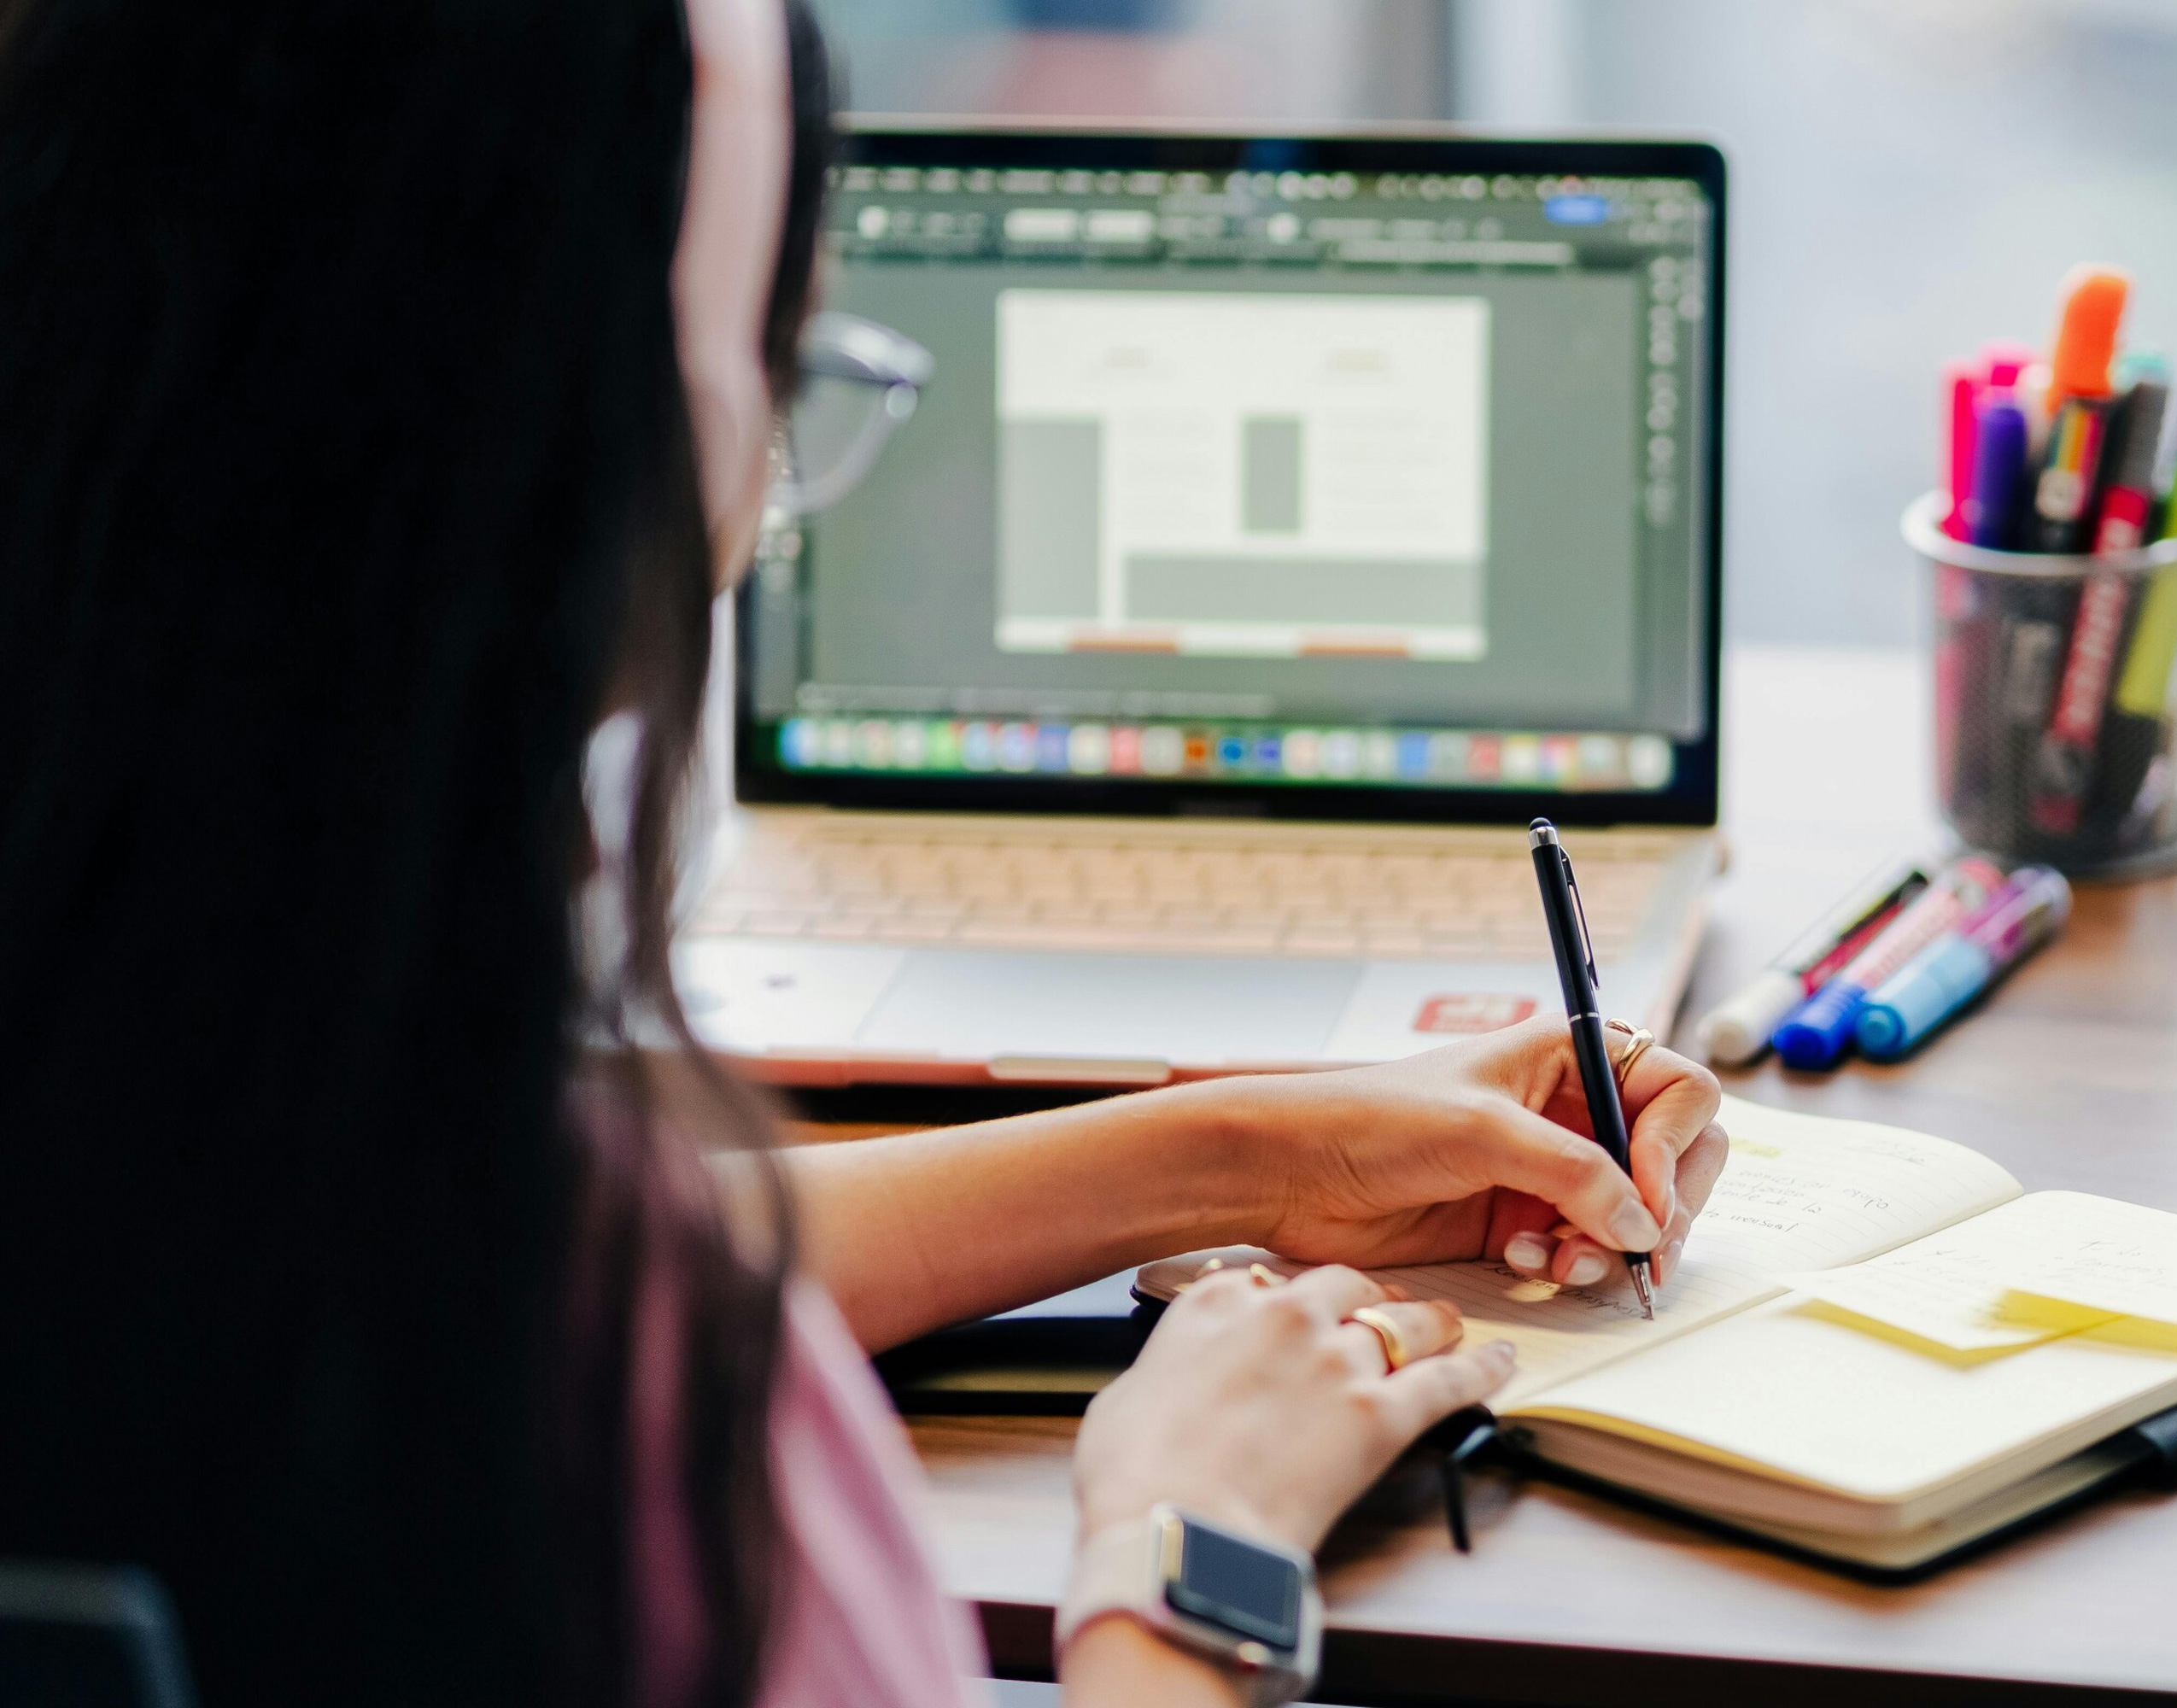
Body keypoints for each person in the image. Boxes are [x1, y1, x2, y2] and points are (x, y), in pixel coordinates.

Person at [0, 0, 1727, 1704]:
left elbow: (475, 1236)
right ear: (603, 475)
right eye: (785, 371)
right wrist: (1190, 1557)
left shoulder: (230, 1127)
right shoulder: (615, 1437)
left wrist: (1255, 1149)